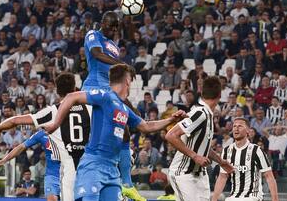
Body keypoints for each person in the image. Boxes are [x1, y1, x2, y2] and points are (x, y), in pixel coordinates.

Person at [43, 64, 186, 201]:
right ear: (127, 81)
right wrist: (56, 123)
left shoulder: (124, 108)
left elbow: (146, 126)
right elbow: (71, 97)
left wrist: (171, 120)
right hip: (94, 165)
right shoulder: (105, 96)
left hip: (112, 171)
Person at [0, 73, 91, 201]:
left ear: (57, 91)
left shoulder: (52, 112)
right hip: (85, 167)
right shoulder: (90, 109)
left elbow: (15, 121)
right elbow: (21, 147)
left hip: (68, 168)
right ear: (75, 88)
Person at [80, 11, 146, 201]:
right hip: (94, 91)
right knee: (98, 137)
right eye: (110, 25)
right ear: (102, 23)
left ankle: (126, 184)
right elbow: (96, 54)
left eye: (116, 26)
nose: (113, 29)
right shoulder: (93, 36)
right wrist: (122, 64)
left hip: (111, 93)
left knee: (126, 128)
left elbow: (134, 37)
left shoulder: (114, 45)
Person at [165, 76, 234, 201]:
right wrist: (195, 156)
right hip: (183, 173)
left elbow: (204, 147)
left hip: (200, 174)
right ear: (219, 96)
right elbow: (171, 135)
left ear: (201, 93)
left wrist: (221, 162)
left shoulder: (207, 115)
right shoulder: (200, 113)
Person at [212, 117, 279, 201]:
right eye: (234, 126)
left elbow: (269, 176)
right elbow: (222, 177)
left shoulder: (256, 150)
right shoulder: (226, 151)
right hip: (233, 197)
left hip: (253, 197)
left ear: (247, 131)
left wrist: (275, 199)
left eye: (240, 126)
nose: (236, 129)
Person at [0, 130, 60, 201]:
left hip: (68, 172)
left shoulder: (69, 131)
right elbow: (21, 147)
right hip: (52, 174)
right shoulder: (41, 134)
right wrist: (4, 160)